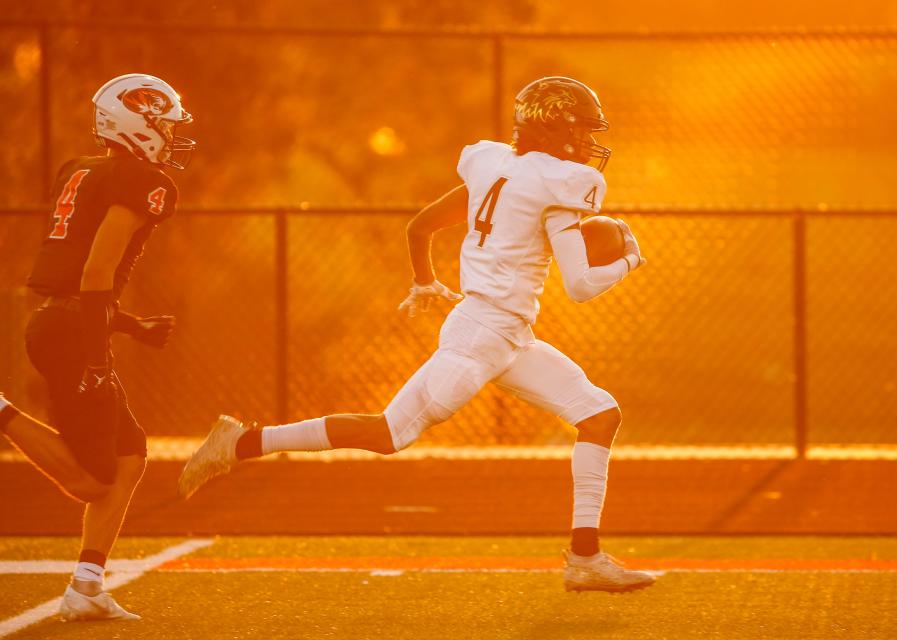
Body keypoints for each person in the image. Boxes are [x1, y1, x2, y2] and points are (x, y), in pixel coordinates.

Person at [179, 76, 652, 592]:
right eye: (581, 130)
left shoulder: (493, 162)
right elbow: (581, 285)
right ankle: (242, 441)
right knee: (387, 434)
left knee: (599, 414)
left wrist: (425, 280)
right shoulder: (560, 182)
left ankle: (585, 559)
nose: (587, 143)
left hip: (508, 334)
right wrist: (628, 259)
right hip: (480, 336)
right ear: (554, 128)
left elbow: (420, 226)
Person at [0, 73, 194, 621]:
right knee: (93, 480)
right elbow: (95, 270)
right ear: (141, 123)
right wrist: (95, 356)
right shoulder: (144, 181)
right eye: (165, 122)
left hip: (58, 322)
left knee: (130, 456)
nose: (172, 134)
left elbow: (71, 274)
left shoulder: (79, 169)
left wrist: (128, 326)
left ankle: (86, 585)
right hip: (70, 333)